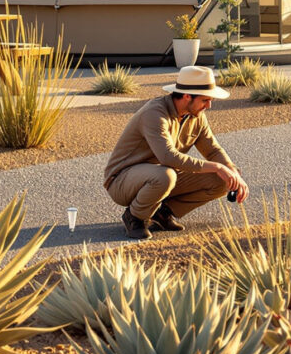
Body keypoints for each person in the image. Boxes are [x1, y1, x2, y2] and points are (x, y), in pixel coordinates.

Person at [104, 65, 249, 239]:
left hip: (162, 175)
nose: (209, 106)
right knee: (166, 175)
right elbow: (168, 157)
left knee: (225, 179)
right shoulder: (154, 113)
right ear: (187, 96)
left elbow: (213, 150)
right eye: (205, 100)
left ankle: (162, 214)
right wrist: (217, 167)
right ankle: (135, 217)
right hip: (122, 181)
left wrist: (232, 171)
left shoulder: (195, 116)